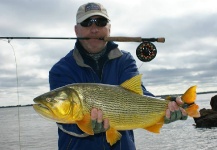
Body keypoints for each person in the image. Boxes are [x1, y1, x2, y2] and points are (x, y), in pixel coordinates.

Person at [49, 2, 187, 150]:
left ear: (109, 29)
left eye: (101, 22)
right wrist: (86, 126)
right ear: (76, 30)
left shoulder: (125, 60)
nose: (94, 29)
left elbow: (138, 94)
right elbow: (64, 120)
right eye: (87, 23)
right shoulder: (61, 70)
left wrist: (168, 103)